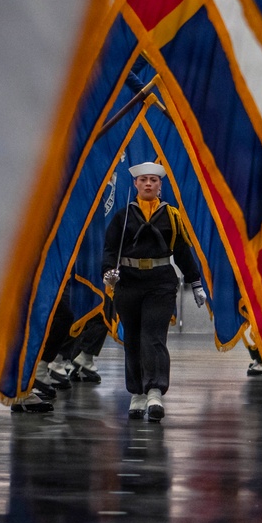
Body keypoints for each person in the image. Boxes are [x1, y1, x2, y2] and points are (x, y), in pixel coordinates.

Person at [103, 161, 205, 421]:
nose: (148, 183)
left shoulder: (171, 215)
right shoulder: (122, 215)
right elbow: (110, 250)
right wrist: (108, 273)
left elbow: (182, 251)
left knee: (153, 336)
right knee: (134, 339)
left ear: (160, 186)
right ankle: (137, 393)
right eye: (143, 180)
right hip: (128, 283)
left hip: (160, 282)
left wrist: (195, 283)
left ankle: (155, 391)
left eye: (153, 180)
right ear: (136, 184)